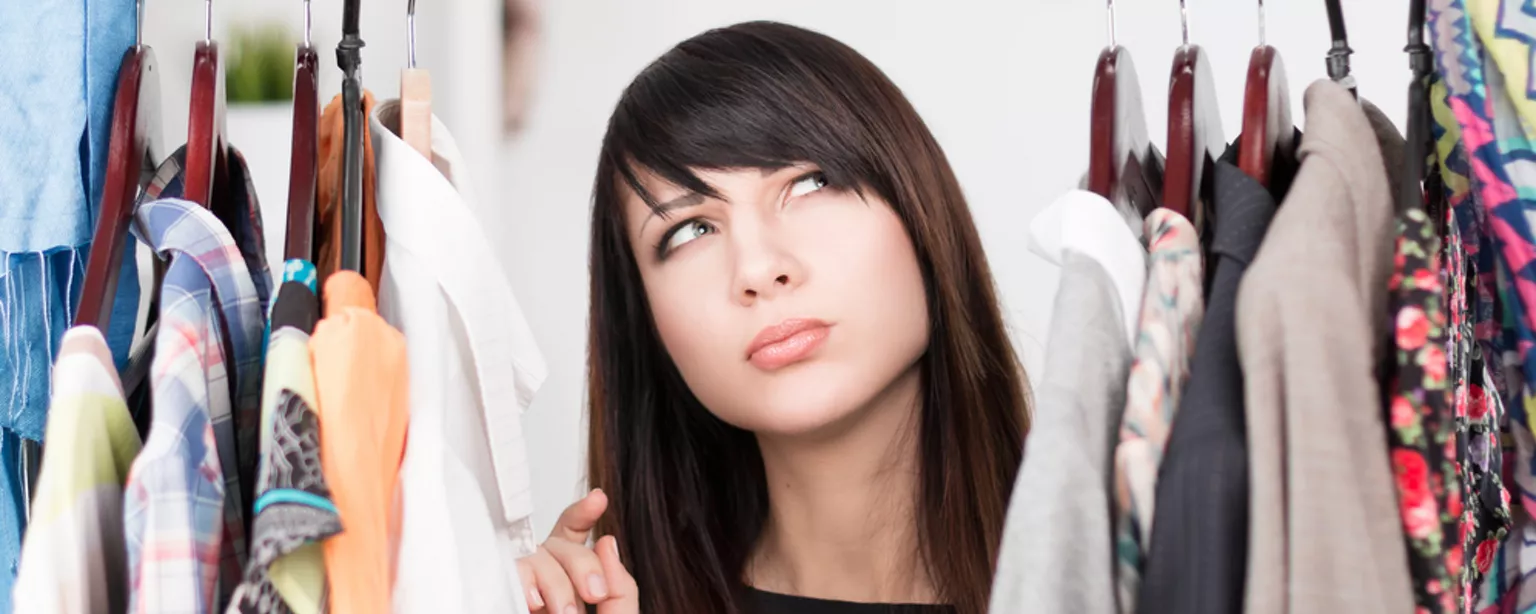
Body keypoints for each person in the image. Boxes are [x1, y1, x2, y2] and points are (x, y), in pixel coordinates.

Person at [516, 21, 1031, 614]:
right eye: (691, 230)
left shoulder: (1117, 575)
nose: (758, 269)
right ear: (645, 320)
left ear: (920, 204)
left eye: (809, 184)